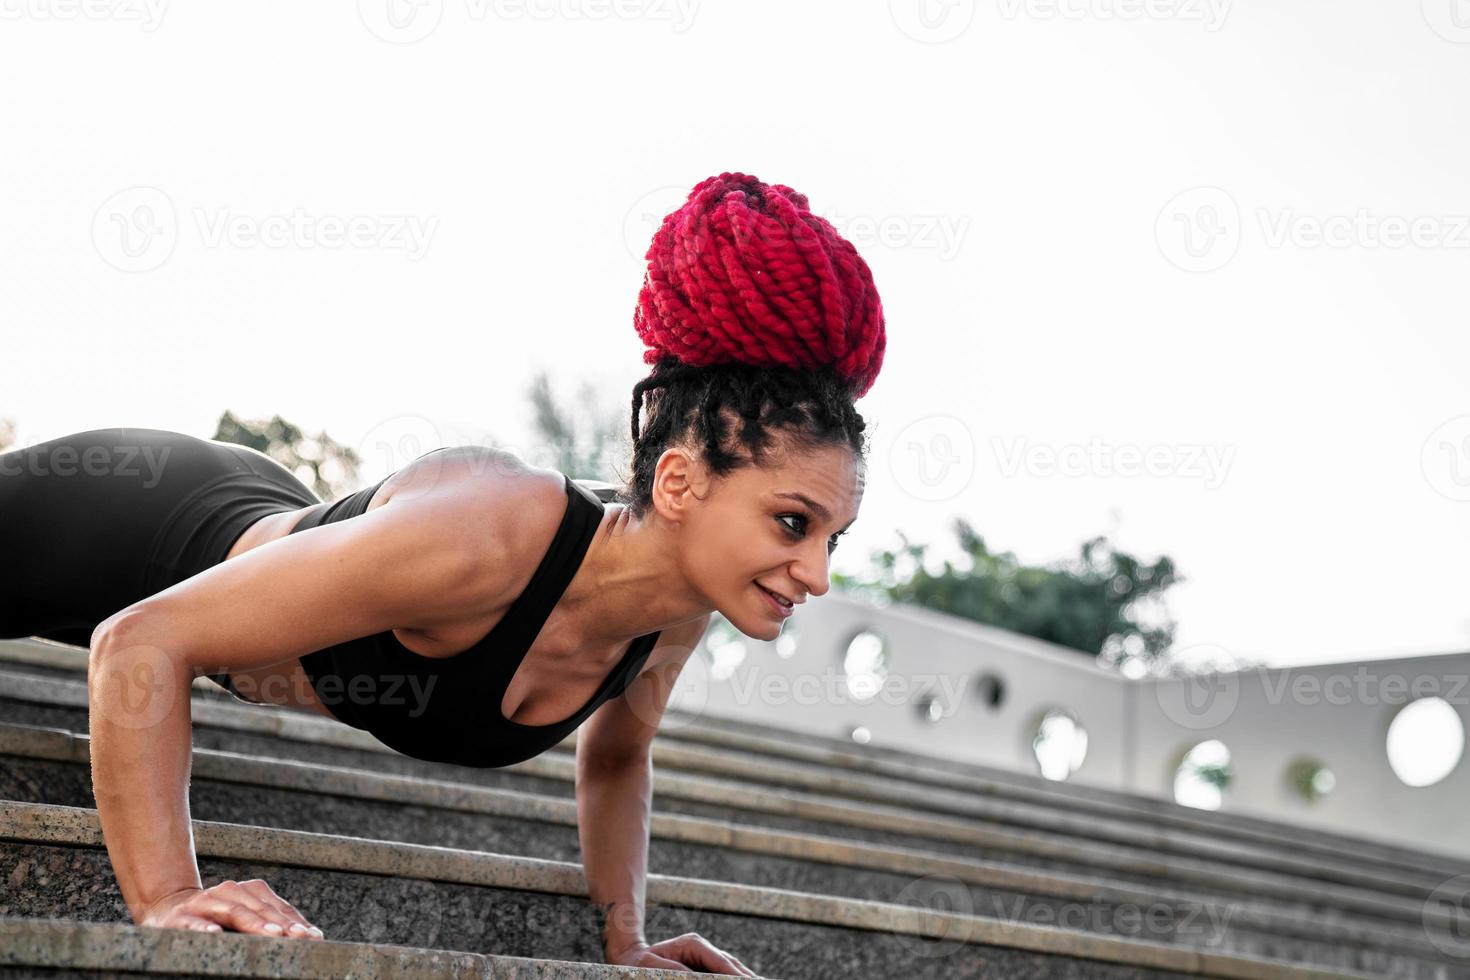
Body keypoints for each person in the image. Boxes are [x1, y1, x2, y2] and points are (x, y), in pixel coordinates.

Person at [0, 171, 884, 975]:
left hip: (263, 514)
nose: (814, 574)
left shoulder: (676, 615)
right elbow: (141, 638)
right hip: (128, 527)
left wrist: (628, 941)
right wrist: (165, 900)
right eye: (792, 524)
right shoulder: (501, 529)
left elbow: (617, 762)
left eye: (831, 538)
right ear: (680, 481)